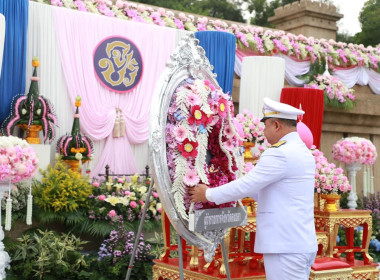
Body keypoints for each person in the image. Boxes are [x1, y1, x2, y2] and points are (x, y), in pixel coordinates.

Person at [189, 97, 318, 280]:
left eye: (265, 126)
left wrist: (208, 194)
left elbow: (247, 185)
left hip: (285, 246)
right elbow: (265, 191)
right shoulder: (301, 150)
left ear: (276, 125)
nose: (264, 132)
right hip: (297, 243)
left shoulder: (280, 153)